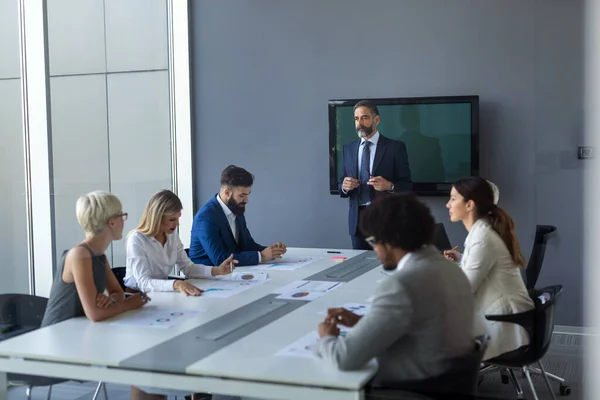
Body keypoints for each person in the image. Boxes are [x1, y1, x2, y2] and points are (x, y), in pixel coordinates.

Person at [315, 194, 475, 385]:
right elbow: (421, 322)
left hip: (410, 388)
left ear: (390, 241)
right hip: (448, 384)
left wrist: (326, 338)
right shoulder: (449, 268)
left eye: (374, 242)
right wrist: (364, 323)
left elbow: (343, 358)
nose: (375, 250)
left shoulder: (401, 285)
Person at [444, 177, 534, 361]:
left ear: (470, 205)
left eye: (453, 199)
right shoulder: (483, 230)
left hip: (505, 321)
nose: (447, 204)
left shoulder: (482, 237)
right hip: (504, 313)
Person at [42, 191, 148, 327]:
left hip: (79, 331)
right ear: (111, 222)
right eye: (122, 215)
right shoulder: (79, 255)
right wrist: (131, 303)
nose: (124, 221)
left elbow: (118, 293)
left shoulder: (99, 256)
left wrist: (109, 300)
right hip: (57, 335)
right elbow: (95, 314)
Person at [124, 190, 236, 296]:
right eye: (172, 220)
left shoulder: (171, 235)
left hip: (161, 293)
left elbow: (188, 268)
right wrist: (176, 284)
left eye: (178, 218)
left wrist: (217, 270)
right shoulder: (136, 240)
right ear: (157, 218)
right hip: (137, 296)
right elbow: (144, 283)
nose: (177, 224)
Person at [339, 100, 412, 250]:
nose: (360, 123)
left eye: (364, 117)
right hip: (357, 221)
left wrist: (389, 186)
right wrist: (345, 187)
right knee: (359, 268)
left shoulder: (395, 148)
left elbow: (407, 186)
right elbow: (341, 183)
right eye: (356, 119)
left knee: (386, 269)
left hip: (385, 220)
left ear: (376, 120)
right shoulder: (348, 149)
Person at [189, 165, 286, 266]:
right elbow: (219, 259)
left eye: (248, 195)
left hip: (233, 274)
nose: (246, 200)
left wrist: (271, 251)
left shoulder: (236, 209)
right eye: (242, 196)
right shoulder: (205, 218)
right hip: (206, 277)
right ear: (227, 192)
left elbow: (247, 245)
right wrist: (261, 256)